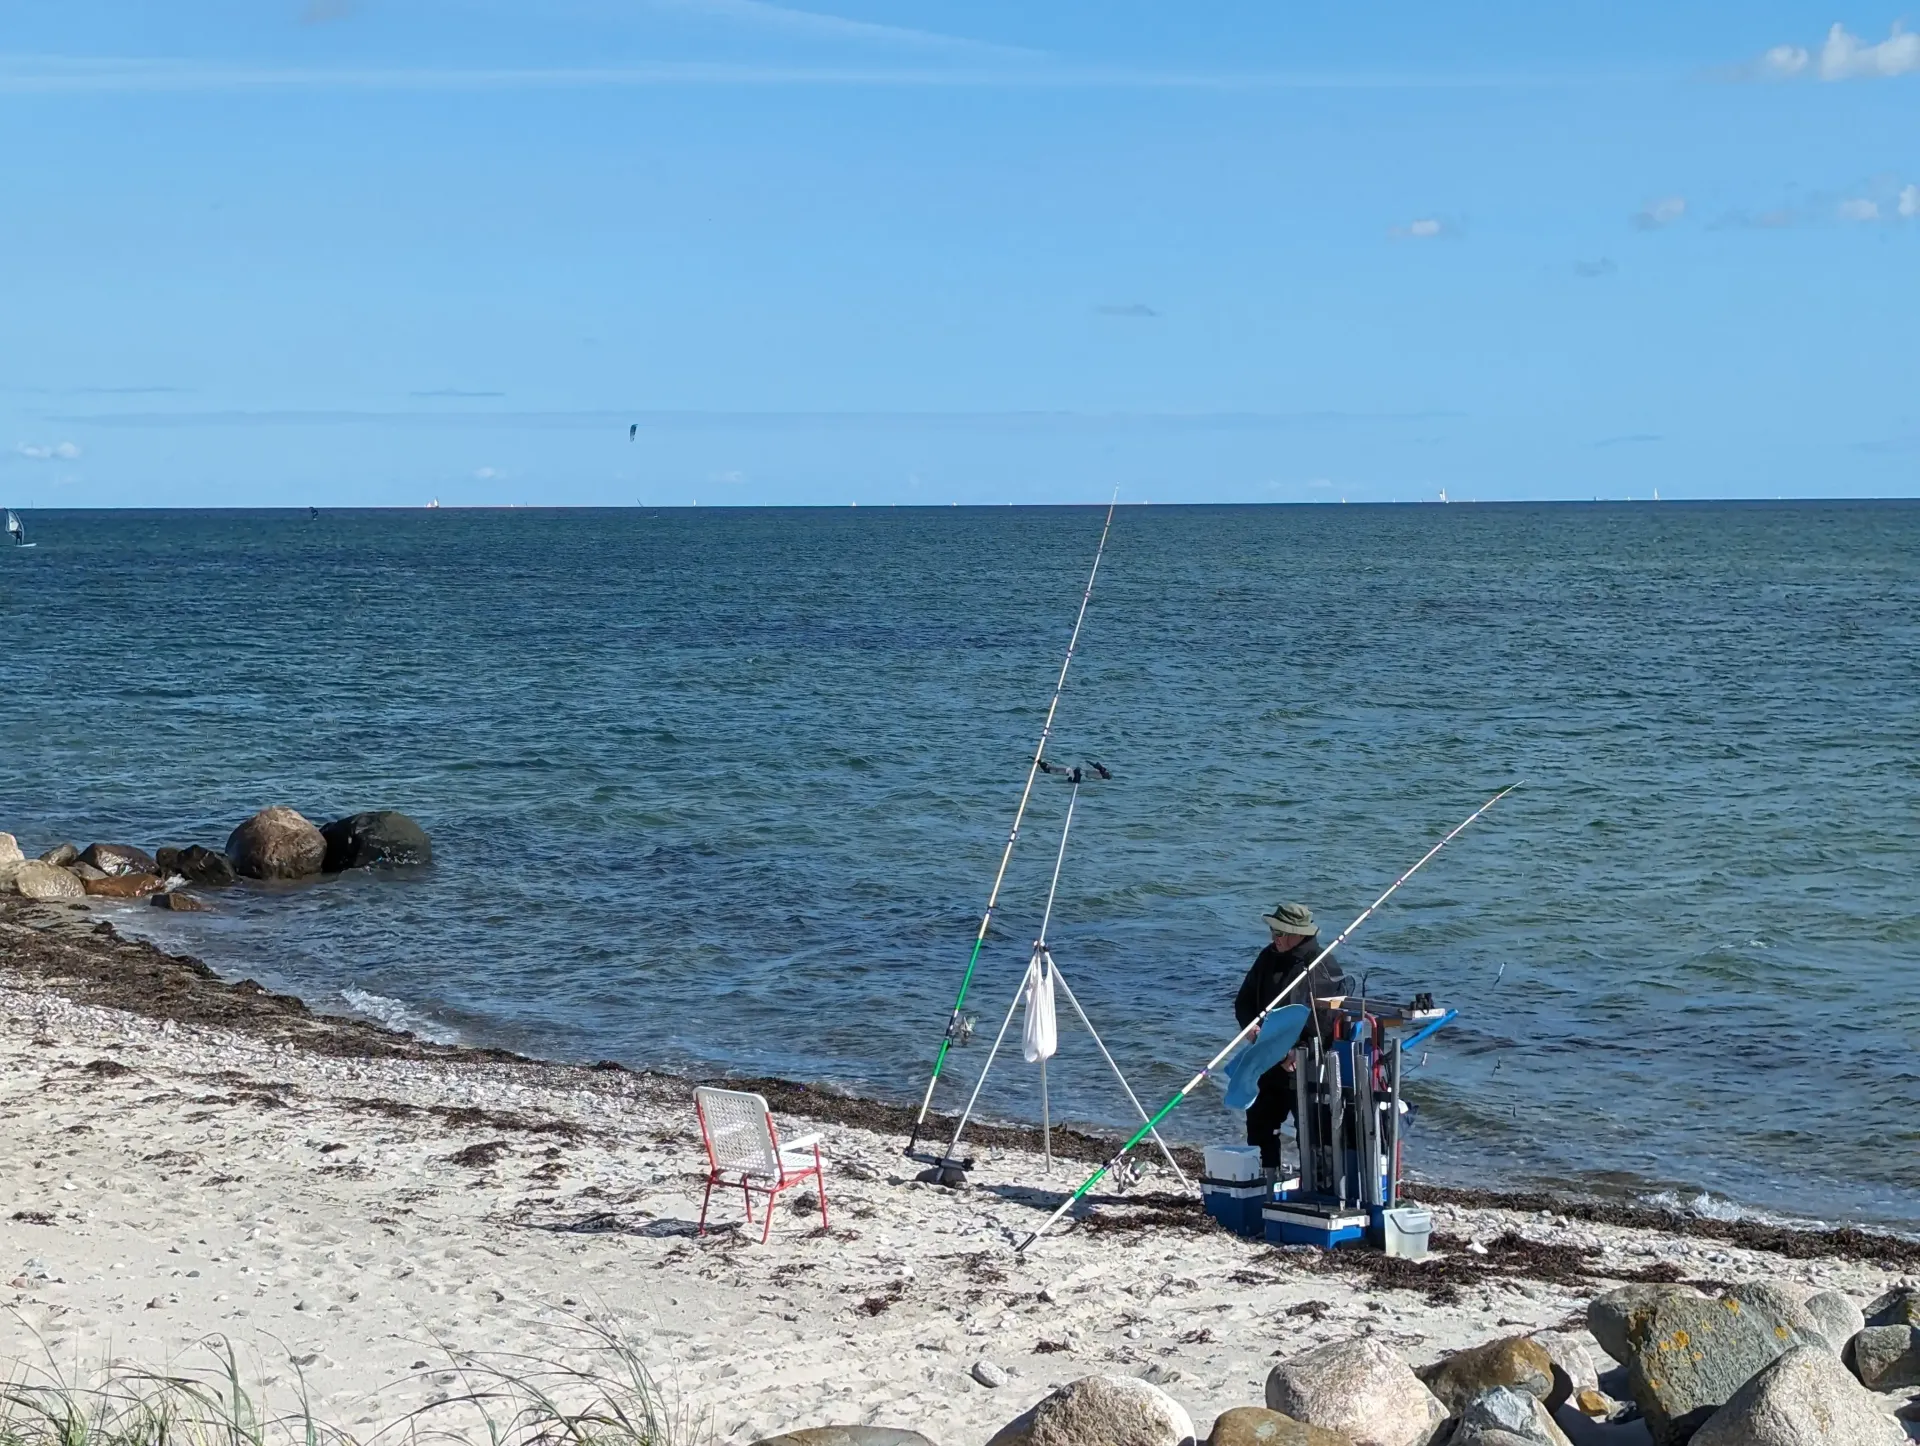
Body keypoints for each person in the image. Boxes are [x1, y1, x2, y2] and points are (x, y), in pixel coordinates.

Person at [1234, 901, 1346, 1172]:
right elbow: (1244, 1000)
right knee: (1260, 1123)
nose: (1275, 938)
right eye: (1274, 931)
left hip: (1303, 1062)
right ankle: (1266, 1178)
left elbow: (1327, 1021)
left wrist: (1298, 1049)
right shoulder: (1268, 956)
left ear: (1300, 934)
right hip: (1266, 1055)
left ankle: (1317, 1182)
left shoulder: (1322, 965)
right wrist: (1250, 1026)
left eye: (1281, 933)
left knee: (1311, 1131)